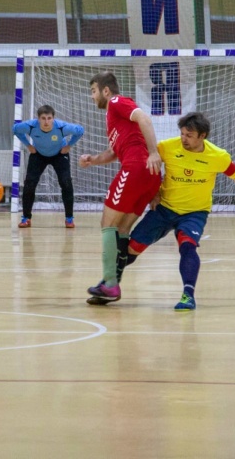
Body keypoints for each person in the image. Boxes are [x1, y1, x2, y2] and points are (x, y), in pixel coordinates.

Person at [89, 111, 235, 311]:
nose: (184, 139)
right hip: (164, 209)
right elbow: (147, 165)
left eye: (189, 135)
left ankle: (188, 296)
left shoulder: (217, 156)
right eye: (182, 134)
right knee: (131, 248)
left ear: (202, 136)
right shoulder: (168, 147)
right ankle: (110, 285)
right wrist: (153, 193)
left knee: (187, 246)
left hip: (195, 212)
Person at [78, 72, 162, 303]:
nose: (92, 96)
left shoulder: (116, 102)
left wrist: (153, 153)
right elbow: (113, 153)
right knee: (122, 228)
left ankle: (110, 283)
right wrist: (92, 159)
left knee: (107, 224)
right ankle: (111, 285)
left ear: (105, 91)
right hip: (148, 176)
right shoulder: (113, 119)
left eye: (93, 91)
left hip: (135, 169)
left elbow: (144, 119)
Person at [12, 105, 84, 228]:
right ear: (38, 119)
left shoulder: (62, 127)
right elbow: (15, 129)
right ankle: (26, 218)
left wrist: (69, 145)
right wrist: (28, 145)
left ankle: (69, 218)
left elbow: (80, 130)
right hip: (38, 154)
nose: (46, 122)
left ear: (53, 118)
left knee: (66, 182)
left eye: (49, 118)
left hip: (59, 154)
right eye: (43, 118)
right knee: (29, 184)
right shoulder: (30, 126)